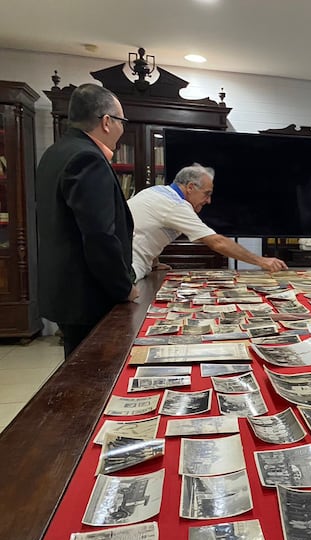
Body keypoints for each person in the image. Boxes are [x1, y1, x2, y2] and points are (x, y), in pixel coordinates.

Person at [36, 83, 138, 357]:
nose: (122, 128)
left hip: (67, 289)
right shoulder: (87, 158)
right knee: (96, 372)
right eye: (122, 121)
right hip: (89, 295)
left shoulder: (55, 152)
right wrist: (123, 288)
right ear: (107, 121)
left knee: (78, 367)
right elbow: (99, 235)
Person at [128, 164, 287, 280]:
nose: (209, 200)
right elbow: (217, 242)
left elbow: (144, 228)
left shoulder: (156, 191)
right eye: (206, 194)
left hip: (122, 264)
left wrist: (154, 262)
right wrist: (262, 261)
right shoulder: (176, 205)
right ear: (190, 187)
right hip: (128, 270)